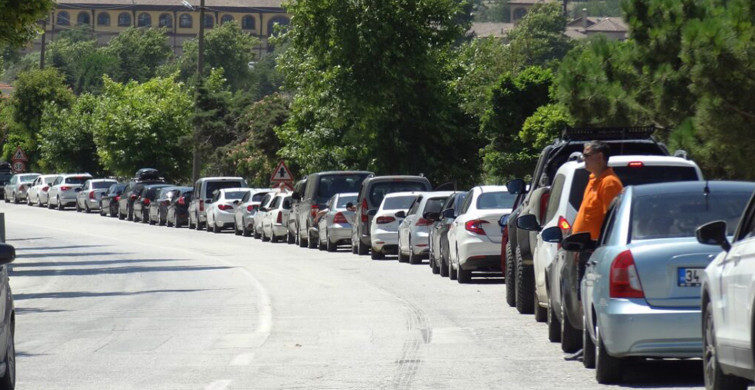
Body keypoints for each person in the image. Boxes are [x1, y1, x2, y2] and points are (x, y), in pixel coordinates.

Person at [571, 140, 624, 240]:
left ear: (600, 157)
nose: (583, 159)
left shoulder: (609, 183)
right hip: (582, 246)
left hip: (595, 248)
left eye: (586, 156)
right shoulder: (593, 179)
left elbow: (612, 220)